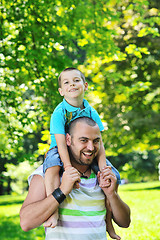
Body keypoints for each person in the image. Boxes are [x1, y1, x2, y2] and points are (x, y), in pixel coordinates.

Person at [20, 117, 131, 240]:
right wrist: (62, 191)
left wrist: (112, 195)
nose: (91, 147)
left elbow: (125, 222)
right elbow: (26, 222)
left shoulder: (103, 175)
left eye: (96, 141)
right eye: (83, 140)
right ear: (68, 139)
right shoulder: (48, 173)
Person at [43, 67, 118, 238]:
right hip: (60, 149)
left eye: (76, 81)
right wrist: (68, 167)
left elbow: (99, 141)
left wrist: (103, 167)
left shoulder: (91, 111)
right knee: (52, 167)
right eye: (67, 82)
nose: (72, 85)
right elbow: (61, 143)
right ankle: (53, 210)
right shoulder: (59, 113)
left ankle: (108, 221)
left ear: (85, 85)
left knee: (113, 176)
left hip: (84, 149)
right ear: (61, 91)